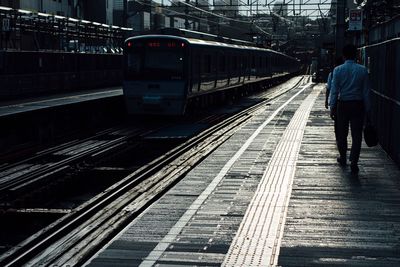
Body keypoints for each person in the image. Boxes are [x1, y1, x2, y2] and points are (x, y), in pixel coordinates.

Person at [329, 44, 371, 174]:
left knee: (342, 133)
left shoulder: (337, 70)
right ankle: (354, 161)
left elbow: (334, 90)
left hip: (343, 104)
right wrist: (368, 109)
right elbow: (366, 92)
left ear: (344, 55)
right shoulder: (363, 70)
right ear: (356, 55)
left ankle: (343, 157)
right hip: (358, 105)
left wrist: (332, 107)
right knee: (356, 134)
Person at [325, 58, 343, 141]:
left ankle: (339, 140)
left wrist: (328, 102)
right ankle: (342, 139)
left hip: (338, 102)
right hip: (354, 102)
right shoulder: (359, 70)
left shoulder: (332, 74)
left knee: (337, 122)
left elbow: (330, 89)